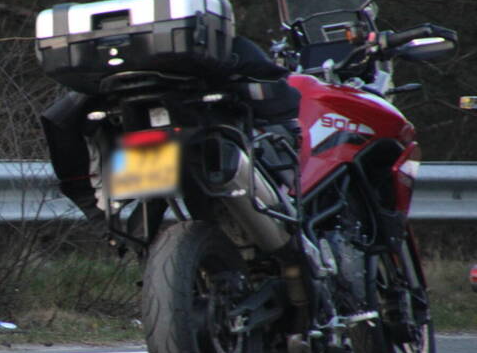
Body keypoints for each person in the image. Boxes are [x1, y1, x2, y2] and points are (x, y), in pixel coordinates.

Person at [40, 35, 301, 227]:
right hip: (217, 194)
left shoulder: (88, 104)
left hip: (157, 208)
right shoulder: (230, 57)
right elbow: (282, 98)